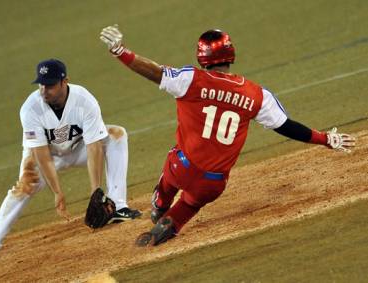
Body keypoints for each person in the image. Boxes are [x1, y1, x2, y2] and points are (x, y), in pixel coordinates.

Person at [99, 25, 356, 246]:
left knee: (172, 164)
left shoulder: (190, 79)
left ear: (202, 57)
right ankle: (172, 221)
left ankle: (159, 205)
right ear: (230, 53)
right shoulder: (256, 94)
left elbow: (153, 71)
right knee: (191, 203)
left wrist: (121, 51)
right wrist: (325, 139)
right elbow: (285, 126)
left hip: (182, 167)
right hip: (213, 183)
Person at [0, 59, 142, 263]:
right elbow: (42, 155)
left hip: (78, 148)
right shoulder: (30, 108)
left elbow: (94, 146)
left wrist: (95, 192)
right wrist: (57, 192)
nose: (45, 90)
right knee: (25, 186)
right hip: (47, 156)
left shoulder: (84, 100)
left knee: (116, 135)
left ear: (65, 81)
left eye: (50, 85)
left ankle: (118, 205)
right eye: (42, 84)